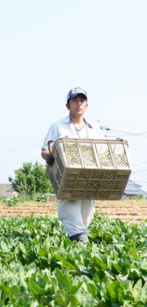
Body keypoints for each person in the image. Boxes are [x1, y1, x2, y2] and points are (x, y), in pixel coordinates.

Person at [41, 87, 106, 243]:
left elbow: (103, 150)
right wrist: (48, 156)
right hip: (68, 180)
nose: (78, 104)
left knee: (84, 220)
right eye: (74, 100)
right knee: (72, 218)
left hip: (89, 182)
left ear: (87, 105)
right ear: (68, 105)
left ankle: (75, 251)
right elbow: (44, 150)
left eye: (82, 100)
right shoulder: (58, 127)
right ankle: (82, 246)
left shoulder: (94, 128)